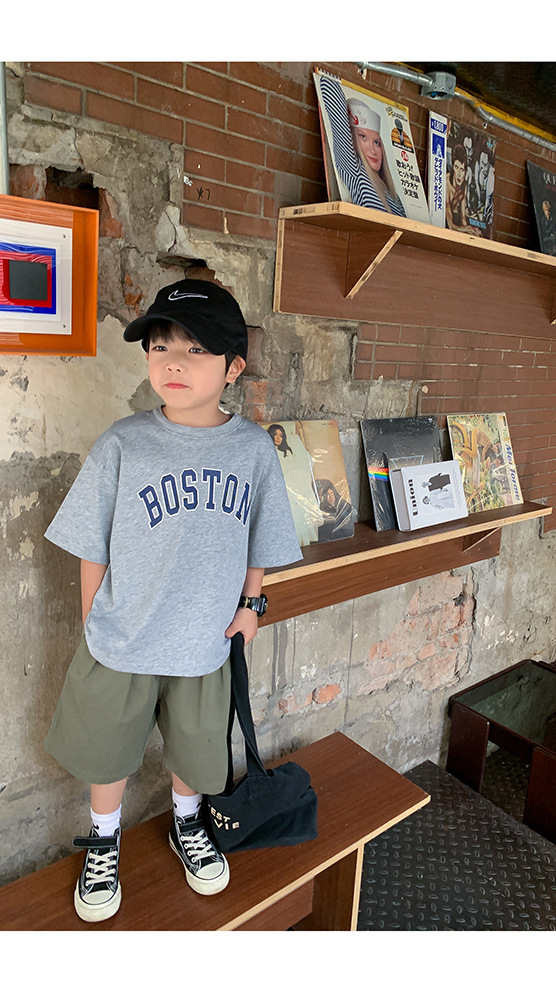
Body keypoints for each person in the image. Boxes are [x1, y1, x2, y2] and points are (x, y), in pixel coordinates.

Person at [43, 278, 302, 922]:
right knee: (108, 747)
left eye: (195, 349)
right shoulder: (123, 442)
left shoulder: (252, 450)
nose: (173, 363)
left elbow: (262, 538)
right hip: (124, 636)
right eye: (160, 347)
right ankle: (104, 838)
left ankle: (189, 822)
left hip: (204, 639)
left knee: (196, 744)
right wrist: (93, 618)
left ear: (233, 367)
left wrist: (251, 606)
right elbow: (91, 541)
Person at [317, 73, 405, 216]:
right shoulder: (354, 170)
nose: (373, 150)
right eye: (363, 137)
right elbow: (329, 87)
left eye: (376, 142)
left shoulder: (393, 195)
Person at [266, 422, 323, 546]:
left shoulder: (287, 452)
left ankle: (304, 540)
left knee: (301, 503)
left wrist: (294, 437)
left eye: (281, 435)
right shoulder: (268, 452)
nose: (278, 437)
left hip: (293, 485)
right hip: (279, 489)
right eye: (275, 434)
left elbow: (304, 462)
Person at [445, 144, 473, 234]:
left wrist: (473, 232)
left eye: (462, 169)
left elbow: (463, 220)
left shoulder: (463, 187)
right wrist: (467, 229)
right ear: (453, 167)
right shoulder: (446, 184)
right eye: (456, 167)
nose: (459, 174)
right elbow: (450, 225)